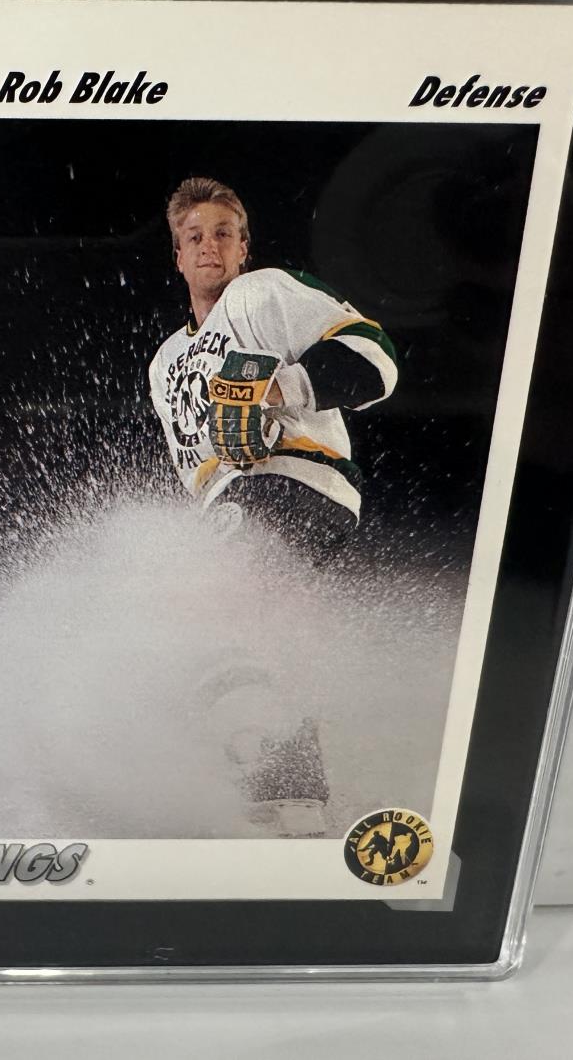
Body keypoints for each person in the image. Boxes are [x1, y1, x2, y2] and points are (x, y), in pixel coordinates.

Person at [145, 177, 399, 836]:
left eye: (223, 233)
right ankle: (283, 779)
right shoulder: (164, 363)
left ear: (244, 247)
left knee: (211, 603)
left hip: (294, 477)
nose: (209, 245)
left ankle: (287, 784)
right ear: (178, 255)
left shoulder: (261, 293)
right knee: (221, 630)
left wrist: (278, 388)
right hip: (232, 502)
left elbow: (375, 358)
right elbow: (193, 471)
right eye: (194, 236)